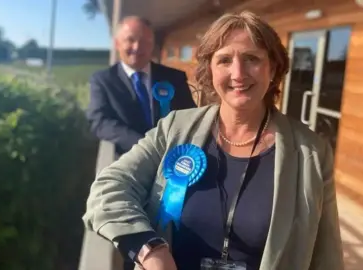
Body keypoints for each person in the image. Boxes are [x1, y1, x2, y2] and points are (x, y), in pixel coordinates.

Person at [83, 11, 344, 270]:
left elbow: (327, 255)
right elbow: (107, 190)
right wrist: (150, 249)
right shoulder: (175, 128)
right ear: (210, 68)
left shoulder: (311, 153)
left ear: (273, 67)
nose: (238, 73)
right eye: (225, 60)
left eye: (252, 58)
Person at [86, 16, 196, 156]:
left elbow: (190, 116)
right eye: (130, 40)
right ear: (117, 43)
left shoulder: (175, 78)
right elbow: (99, 121)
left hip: (175, 159)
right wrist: (144, 145)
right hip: (132, 160)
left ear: (152, 44)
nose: (137, 47)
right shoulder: (103, 80)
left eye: (144, 41)